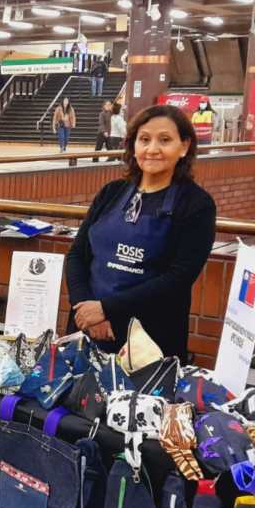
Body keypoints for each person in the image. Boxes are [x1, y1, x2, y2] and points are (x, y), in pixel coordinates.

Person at [65, 104, 217, 357]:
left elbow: (177, 279)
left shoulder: (196, 205)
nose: (152, 149)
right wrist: (85, 307)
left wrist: (106, 309)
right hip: (87, 328)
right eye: (144, 139)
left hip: (149, 340)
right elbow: (76, 255)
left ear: (184, 146)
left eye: (165, 140)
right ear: (133, 145)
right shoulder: (111, 192)